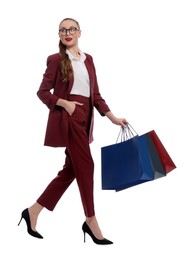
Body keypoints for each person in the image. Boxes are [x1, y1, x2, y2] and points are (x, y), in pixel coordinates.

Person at [18, 18, 127, 245]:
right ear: (59, 34)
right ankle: (91, 219)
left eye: (71, 29)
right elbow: (42, 92)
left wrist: (113, 117)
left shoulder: (89, 60)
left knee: (71, 170)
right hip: (70, 118)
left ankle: (33, 211)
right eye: (62, 30)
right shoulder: (56, 59)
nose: (67, 33)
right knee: (86, 165)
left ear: (79, 32)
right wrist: (64, 103)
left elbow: (95, 95)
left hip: (86, 119)